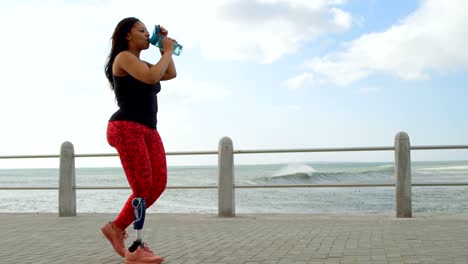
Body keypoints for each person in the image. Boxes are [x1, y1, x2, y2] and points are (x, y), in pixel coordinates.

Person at [101, 17, 177, 264]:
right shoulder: (123, 58)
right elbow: (152, 77)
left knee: (158, 184)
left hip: (148, 129)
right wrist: (165, 50)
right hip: (126, 127)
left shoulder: (143, 62)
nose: (147, 34)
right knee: (142, 187)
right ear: (127, 36)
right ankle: (135, 247)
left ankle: (116, 228)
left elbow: (169, 73)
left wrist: (162, 50)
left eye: (148, 31)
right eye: (141, 31)